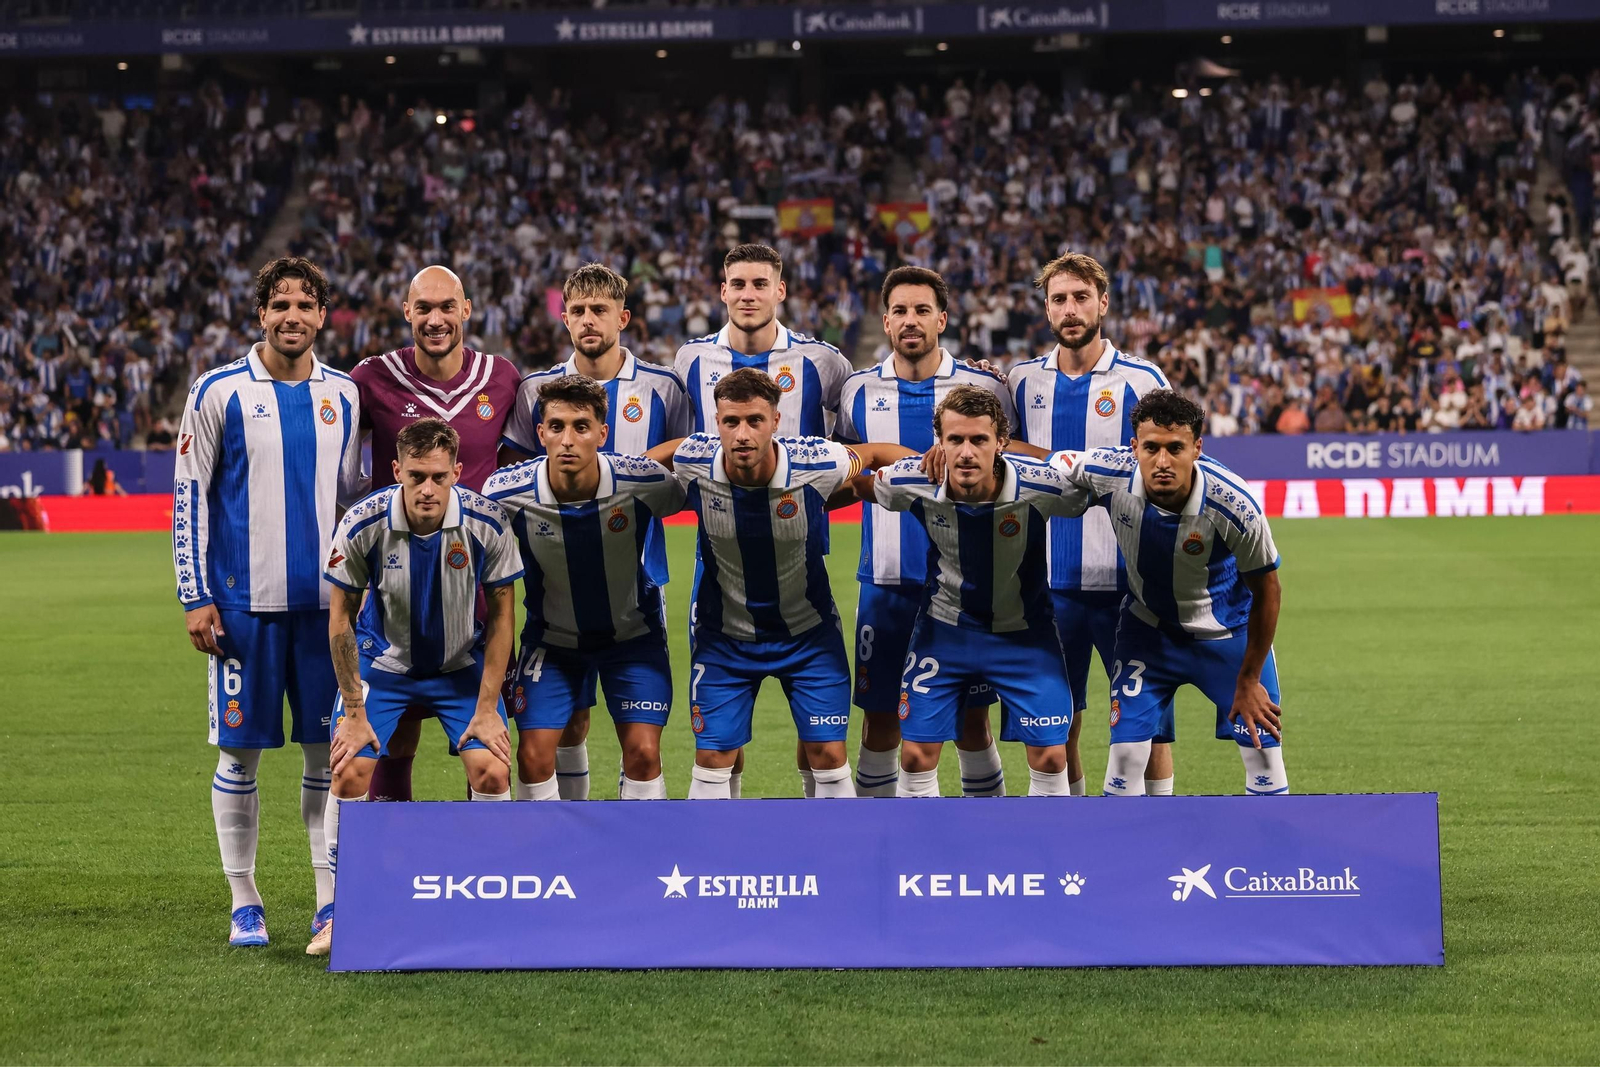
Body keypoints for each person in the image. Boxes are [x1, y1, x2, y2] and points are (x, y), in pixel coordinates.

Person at [171, 257, 364, 947]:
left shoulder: (344, 394)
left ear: (322, 316)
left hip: (325, 613)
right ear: (261, 314)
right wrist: (195, 594)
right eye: (280, 304)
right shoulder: (217, 390)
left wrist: (361, 592)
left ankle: (328, 900)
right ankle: (244, 899)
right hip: (241, 611)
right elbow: (189, 494)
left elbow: (353, 502)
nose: (292, 316)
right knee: (239, 756)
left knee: (326, 756)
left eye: (305, 304)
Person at [643, 368, 912, 799]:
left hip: (808, 637)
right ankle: (719, 844)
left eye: (755, 420)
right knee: (712, 757)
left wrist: (933, 464)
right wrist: (627, 469)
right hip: (725, 640)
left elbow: (877, 453)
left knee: (828, 754)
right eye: (731, 421)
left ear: (775, 421)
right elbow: (671, 451)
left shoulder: (818, 461)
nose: (742, 434)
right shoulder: (696, 457)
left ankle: (834, 844)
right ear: (717, 423)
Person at [309, 418, 522, 955]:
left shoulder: (487, 522)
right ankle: (341, 910)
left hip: (459, 667)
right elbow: (340, 619)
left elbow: (503, 617)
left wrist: (489, 708)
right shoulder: (362, 523)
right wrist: (353, 712)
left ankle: (490, 904)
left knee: (492, 768)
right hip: (383, 667)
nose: (427, 489)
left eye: (438, 477)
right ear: (396, 470)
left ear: (457, 472)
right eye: (416, 476)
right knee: (349, 767)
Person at [500, 263, 691, 799]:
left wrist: (641, 470)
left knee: (641, 745)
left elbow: (690, 464)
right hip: (554, 586)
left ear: (622, 318)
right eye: (578, 311)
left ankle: (632, 835)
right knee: (571, 725)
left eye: (600, 310)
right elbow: (515, 480)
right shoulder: (535, 390)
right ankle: (573, 835)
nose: (588, 320)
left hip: (637, 581)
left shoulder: (663, 388)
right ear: (564, 319)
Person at [673, 243, 854, 797]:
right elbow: (680, 446)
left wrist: (813, 497)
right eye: (738, 284)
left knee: (818, 735)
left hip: (801, 547)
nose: (748, 295)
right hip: (718, 552)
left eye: (760, 284)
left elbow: (850, 445)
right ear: (722, 291)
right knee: (722, 737)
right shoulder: (690, 360)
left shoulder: (822, 361)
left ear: (780, 290)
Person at [835, 266, 1024, 797]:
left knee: (970, 721)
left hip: (967, 587)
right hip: (887, 581)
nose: (910, 320)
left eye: (922, 310)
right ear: (885, 321)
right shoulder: (857, 389)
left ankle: (980, 833)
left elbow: (1012, 462)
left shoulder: (985, 386)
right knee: (880, 722)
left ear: (942, 319)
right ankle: (881, 835)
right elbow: (847, 471)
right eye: (899, 311)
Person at [1050, 390, 1288, 798]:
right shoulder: (1108, 470)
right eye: (1151, 448)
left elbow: (1268, 591)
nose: (1162, 461)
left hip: (1228, 636)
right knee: (1125, 759)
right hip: (1149, 633)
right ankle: (1126, 842)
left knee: (1263, 756)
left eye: (1175, 448)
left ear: (1197, 448)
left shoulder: (1235, 504)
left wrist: (1249, 678)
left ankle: (1268, 841)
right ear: (1134, 448)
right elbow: (1050, 463)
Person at [349, 264, 522, 804]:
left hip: (476, 591)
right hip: (395, 590)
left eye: (447, 306)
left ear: (466, 309)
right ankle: (393, 852)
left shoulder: (502, 378)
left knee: (483, 743)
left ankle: (476, 853)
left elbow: (519, 472)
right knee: (395, 738)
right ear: (407, 311)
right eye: (423, 307)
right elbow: (338, 469)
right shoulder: (371, 379)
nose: (436, 319)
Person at [1005, 252, 1175, 796]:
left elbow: (1171, 468)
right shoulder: (1021, 380)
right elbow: (1000, 449)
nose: (1070, 309)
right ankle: (1074, 830)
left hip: (1131, 588)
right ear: (1046, 308)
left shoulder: (1142, 380)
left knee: (1147, 729)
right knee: (1059, 727)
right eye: (1059, 299)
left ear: (1103, 303)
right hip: (1047, 587)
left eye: (1081, 297)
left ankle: (1158, 831)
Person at [870, 386, 1091, 797]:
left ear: (1001, 442)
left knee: (1050, 757)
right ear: (939, 442)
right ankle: (920, 837)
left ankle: (1050, 838)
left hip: (1025, 636)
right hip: (943, 633)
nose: (967, 453)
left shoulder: (1042, 486)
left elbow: (1101, 492)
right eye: (955, 439)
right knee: (915, 756)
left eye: (979, 440)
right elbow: (863, 485)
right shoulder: (911, 480)